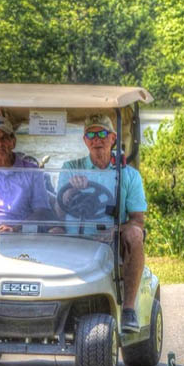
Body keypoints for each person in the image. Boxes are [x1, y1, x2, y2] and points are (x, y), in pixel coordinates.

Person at [58, 114, 147, 333]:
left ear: (113, 138)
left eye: (102, 134)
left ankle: (128, 310)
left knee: (135, 234)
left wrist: (115, 230)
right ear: (85, 140)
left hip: (111, 239)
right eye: (91, 135)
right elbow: (58, 211)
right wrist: (71, 190)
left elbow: (138, 219)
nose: (97, 139)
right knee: (50, 230)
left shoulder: (129, 174)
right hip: (74, 237)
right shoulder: (71, 167)